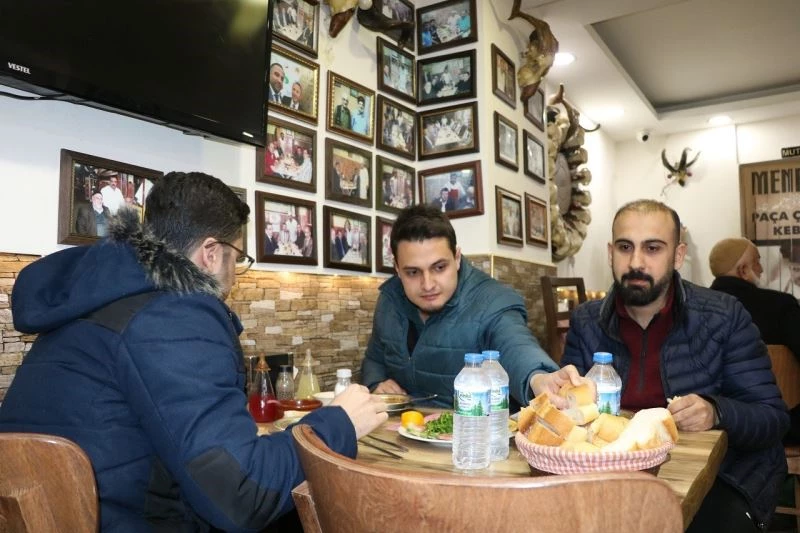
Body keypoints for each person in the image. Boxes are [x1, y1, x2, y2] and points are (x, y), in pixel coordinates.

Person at [0, 172, 388, 531]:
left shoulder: (97, 299)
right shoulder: (174, 314)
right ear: (211, 252)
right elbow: (243, 495)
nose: (235, 276)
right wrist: (339, 424)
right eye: (238, 258)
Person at [560, 199, 788, 532]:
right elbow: (570, 417)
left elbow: (772, 418)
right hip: (610, 473)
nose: (636, 262)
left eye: (652, 248)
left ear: (678, 256)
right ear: (611, 253)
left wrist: (716, 411)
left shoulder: (724, 315)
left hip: (722, 475)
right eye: (625, 247)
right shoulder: (586, 322)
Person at [361, 204, 585, 409]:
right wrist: (377, 382)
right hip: (402, 429)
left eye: (439, 268)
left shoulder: (493, 301)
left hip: (473, 433)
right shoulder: (390, 299)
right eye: (413, 272)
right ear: (397, 268)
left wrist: (538, 378)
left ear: (457, 258)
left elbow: (516, 345)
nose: (427, 284)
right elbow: (374, 359)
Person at [708, 237, 800, 444]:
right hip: (783, 424)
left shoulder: (695, 310)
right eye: (757, 262)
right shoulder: (781, 306)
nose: (762, 269)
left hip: (716, 425)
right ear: (743, 270)